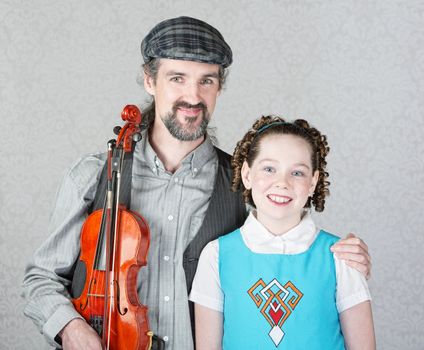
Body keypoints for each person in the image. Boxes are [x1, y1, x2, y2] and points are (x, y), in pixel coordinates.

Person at [22, 16, 372, 350]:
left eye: (206, 80)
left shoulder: (243, 182)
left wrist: (342, 260)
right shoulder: (95, 175)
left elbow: (286, 247)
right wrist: (70, 327)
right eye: (177, 78)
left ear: (219, 86)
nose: (193, 96)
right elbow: (41, 278)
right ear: (149, 80)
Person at [190, 115, 376, 350]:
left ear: (313, 182)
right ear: (247, 175)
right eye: (269, 169)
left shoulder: (341, 257)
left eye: (297, 173)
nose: (282, 183)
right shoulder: (216, 256)